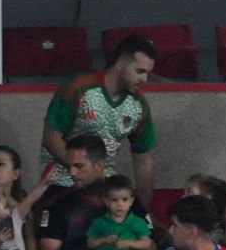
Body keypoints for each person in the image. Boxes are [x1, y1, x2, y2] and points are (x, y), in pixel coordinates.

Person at [38, 134, 151, 250]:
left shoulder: (127, 199)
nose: (72, 172)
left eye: (79, 166)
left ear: (99, 165)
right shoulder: (59, 203)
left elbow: (151, 247)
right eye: (70, 166)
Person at [37, 35, 158, 197]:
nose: (144, 79)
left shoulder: (139, 105)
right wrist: (83, 171)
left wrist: (146, 211)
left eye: (148, 73)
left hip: (105, 187)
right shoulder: (79, 89)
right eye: (140, 71)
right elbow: (50, 138)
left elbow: (143, 161)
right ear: (121, 63)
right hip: (61, 183)